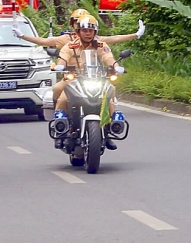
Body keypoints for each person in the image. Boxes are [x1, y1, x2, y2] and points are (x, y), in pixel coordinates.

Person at [53, 15, 125, 150]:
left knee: (109, 95)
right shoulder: (70, 46)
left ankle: (108, 131)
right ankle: (60, 130)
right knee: (60, 93)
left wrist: (115, 66)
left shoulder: (100, 45)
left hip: (95, 79)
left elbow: (108, 57)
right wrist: (60, 66)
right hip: (73, 79)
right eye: (84, 30)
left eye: (90, 31)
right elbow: (62, 59)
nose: (87, 33)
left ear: (95, 32)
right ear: (78, 32)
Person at [13, 8, 145, 48]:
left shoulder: (96, 40)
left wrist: (135, 35)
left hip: (93, 76)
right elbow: (43, 42)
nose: (85, 30)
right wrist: (22, 36)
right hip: (72, 77)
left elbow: (114, 39)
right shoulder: (66, 39)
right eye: (77, 23)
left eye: (89, 28)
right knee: (60, 92)